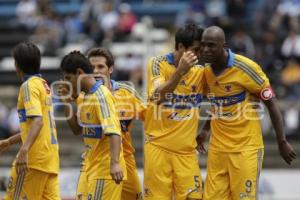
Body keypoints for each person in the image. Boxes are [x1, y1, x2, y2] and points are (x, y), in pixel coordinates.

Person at [197, 26, 297, 200]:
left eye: (211, 45)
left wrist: (282, 141)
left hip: (245, 149)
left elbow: (271, 104)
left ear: (223, 45)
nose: (206, 49)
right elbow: (218, 103)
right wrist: (205, 130)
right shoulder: (206, 72)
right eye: (203, 45)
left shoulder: (246, 68)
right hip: (218, 150)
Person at [143, 23, 205, 200]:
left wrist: (206, 130)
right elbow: (157, 97)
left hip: (186, 153)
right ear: (180, 47)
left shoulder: (200, 73)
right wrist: (179, 73)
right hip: (158, 149)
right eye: (195, 50)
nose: (199, 55)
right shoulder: (157, 64)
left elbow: (220, 99)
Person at [60, 51, 126, 200]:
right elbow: (77, 130)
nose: (66, 82)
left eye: (68, 78)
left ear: (79, 73)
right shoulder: (84, 96)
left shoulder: (101, 95)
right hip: (90, 167)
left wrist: (115, 163)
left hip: (104, 170)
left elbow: (114, 131)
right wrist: (67, 102)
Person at [4, 42, 60, 200]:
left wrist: (24, 150)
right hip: (50, 159)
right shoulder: (43, 85)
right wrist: (10, 141)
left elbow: (37, 122)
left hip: (33, 160)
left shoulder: (27, 87)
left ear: (17, 65)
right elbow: (38, 126)